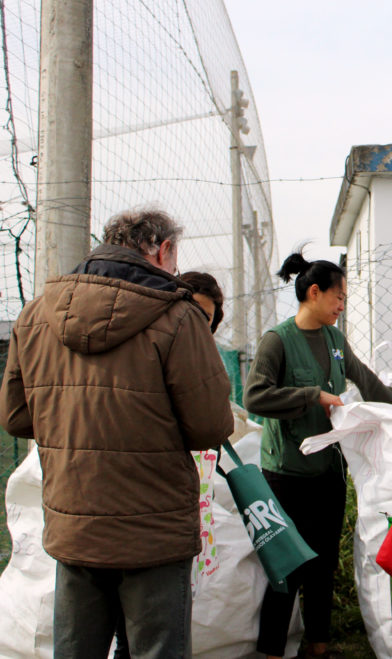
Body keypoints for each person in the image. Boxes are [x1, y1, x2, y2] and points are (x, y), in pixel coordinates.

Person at [0, 208, 234, 658]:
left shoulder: (36, 315)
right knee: (155, 649)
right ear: (163, 250)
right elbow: (210, 427)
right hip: (153, 529)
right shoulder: (179, 317)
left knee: (76, 649)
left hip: (74, 522)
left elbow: (14, 417)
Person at [244, 251, 392, 659]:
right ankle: (273, 651)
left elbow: (364, 378)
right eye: (339, 296)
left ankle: (319, 645)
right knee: (287, 567)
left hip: (328, 471)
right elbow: (254, 396)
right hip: (286, 474)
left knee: (323, 563)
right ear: (315, 292)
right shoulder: (277, 341)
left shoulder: (334, 340)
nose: (342, 305)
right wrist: (312, 396)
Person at [112, 270, 228, 659]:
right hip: (144, 511)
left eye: (206, 321)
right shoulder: (145, 349)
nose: (197, 327)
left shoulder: (204, 361)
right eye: (193, 313)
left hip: (181, 510)